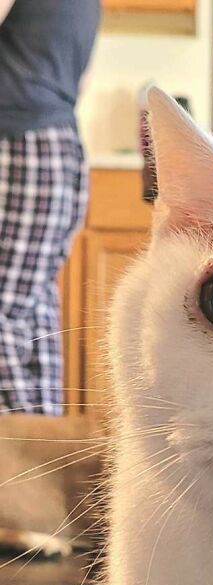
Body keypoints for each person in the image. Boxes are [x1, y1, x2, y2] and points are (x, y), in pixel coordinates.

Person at [0, 0, 100, 414]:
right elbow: (81, 82)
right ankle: (41, 440)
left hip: (15, 140)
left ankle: (14, 451)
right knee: (31, 307)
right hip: (59, 145)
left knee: (6, 308)